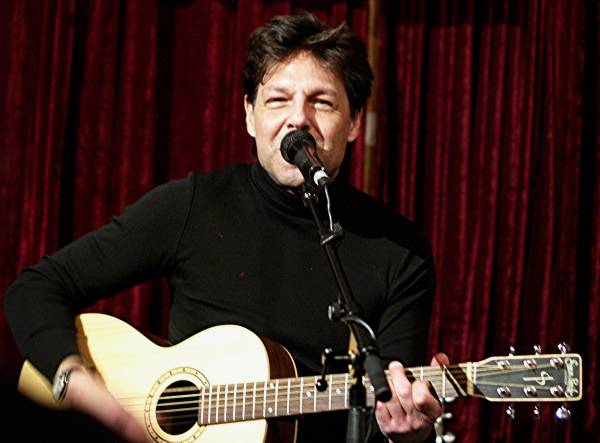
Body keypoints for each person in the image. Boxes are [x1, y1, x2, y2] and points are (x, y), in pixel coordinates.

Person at [5, 12, 446, 443]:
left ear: (352, 123)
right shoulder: (192, 205)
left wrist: (408, 434)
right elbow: (34, 290)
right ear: (249, 115)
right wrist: (80, 388)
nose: (298, 119)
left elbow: (389, 411)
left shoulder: (399, 250)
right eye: (278, 99)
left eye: (322, 101)